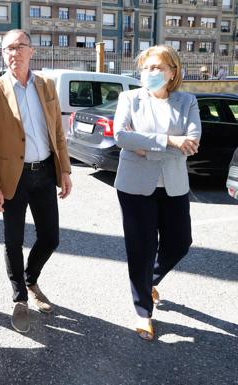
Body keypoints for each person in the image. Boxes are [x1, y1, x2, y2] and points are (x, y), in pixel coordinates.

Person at [0, 29, 72, 333]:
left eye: (19, 47)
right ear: (2, 54)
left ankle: (31, 278)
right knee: (13, 240)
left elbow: (57, 129)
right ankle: (19, 297)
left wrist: (66, 171)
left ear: (32, 51)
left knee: (51, 237)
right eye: (7, 48)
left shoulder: (46, 85)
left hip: (44, 171)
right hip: (12, 178)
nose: (13, 53)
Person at [113, 45, 201, 341]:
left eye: (158, 68)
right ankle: (143, 312)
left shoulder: (187, 101)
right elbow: (121, 135)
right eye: (146, 68)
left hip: (174, 185)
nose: (151, 73)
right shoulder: (130, 98)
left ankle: (147, 281)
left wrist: (145, 148)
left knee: (180, 243)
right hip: (135, 187)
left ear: (172, 72)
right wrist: (168, 142)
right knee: (141, 249)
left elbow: (191, 141)